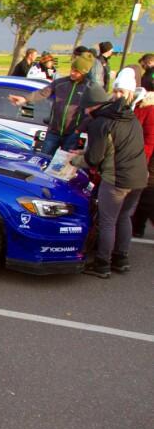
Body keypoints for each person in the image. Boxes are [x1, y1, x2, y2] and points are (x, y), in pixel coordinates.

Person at [71, 69, 149, 278]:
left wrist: (73, 159)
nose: (84, 113)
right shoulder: (129, 117)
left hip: (116, 180)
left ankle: (102, 264)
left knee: (107, 221)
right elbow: (114, 148)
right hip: (139, 178)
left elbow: (94, 159)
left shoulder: (101, 123)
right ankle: (121, 259)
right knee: (125, 217)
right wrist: (85, 152)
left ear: (93, 106)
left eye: (86, 108)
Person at [8, 52, 96, 156]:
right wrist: (25, 99)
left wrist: (78, 130)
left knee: (64, 163)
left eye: (77, 71)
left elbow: (93, 111)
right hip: (53, 132)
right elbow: (42, 93)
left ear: (84, 73)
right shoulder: (60, 83)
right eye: (72, 69)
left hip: (72, 134)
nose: (72, 73)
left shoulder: (90, 88)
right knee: (43, 158)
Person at [132, 89, 154, 237]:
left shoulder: (146, 112)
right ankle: (137, 227)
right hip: (147, 157)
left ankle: (138, 227)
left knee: (147, 194)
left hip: (147, 158)